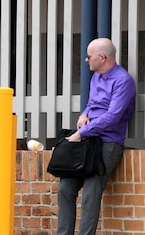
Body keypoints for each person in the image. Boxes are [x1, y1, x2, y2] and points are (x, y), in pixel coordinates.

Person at [57, 38, 136, 235]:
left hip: (108, 143)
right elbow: (93, 105)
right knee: (65, 189)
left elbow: (112, 117)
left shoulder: (123, 81)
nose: (86, 60)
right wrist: (84, 113)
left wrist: (80, 133)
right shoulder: (96, 77)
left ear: (102, 57)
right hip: (88, 141)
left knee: (90, 194)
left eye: (89, 56)